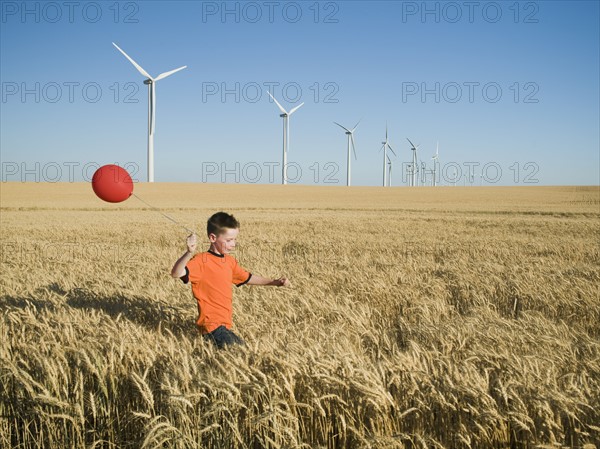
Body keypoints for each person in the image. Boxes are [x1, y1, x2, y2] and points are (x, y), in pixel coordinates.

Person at [171, 211, 291, 349]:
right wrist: (189, 253)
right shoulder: (201, 261)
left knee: (242, 352)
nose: (233, 244)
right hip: (211, 326)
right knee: (241, 352)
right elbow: (176, 273)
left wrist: (275, 282)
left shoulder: (229, 261)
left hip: (224, 325)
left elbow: (247, 278)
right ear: (212, 237)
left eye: (234, 239)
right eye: (228, 240)